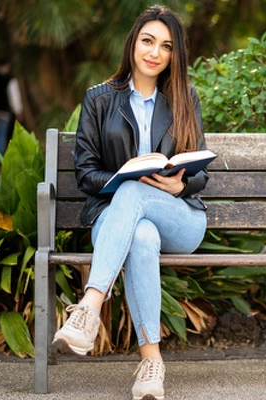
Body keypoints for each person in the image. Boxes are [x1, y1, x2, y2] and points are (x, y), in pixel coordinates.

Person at [51, 6, 209, 400]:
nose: (155, 52)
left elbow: (202, 171)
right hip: (115, 219)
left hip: (180, 218)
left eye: (166, 46)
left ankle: (89, 306)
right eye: (148, 41)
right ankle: (151, 364)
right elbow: (86, 173)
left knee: (138, 194)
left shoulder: (184, 98)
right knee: (139, 232)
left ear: (175, 55)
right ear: (133, 44)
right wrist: (124, 178)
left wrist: (178, 187)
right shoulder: (100, 99)